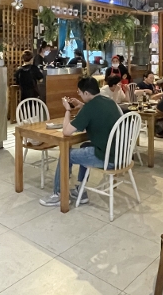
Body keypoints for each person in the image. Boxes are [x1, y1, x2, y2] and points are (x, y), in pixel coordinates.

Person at [39, 77, 121, 207]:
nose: (79, 95)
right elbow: (96, 111)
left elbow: (66, 132)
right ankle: (80, 190)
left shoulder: (89, 108)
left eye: (80, 93)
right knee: (84, 146)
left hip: (107, 158)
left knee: (66, 154)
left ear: (86, 93)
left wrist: (67, 110)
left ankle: (59, 194)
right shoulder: (109, 102)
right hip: (121, 155)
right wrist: (82, 105)